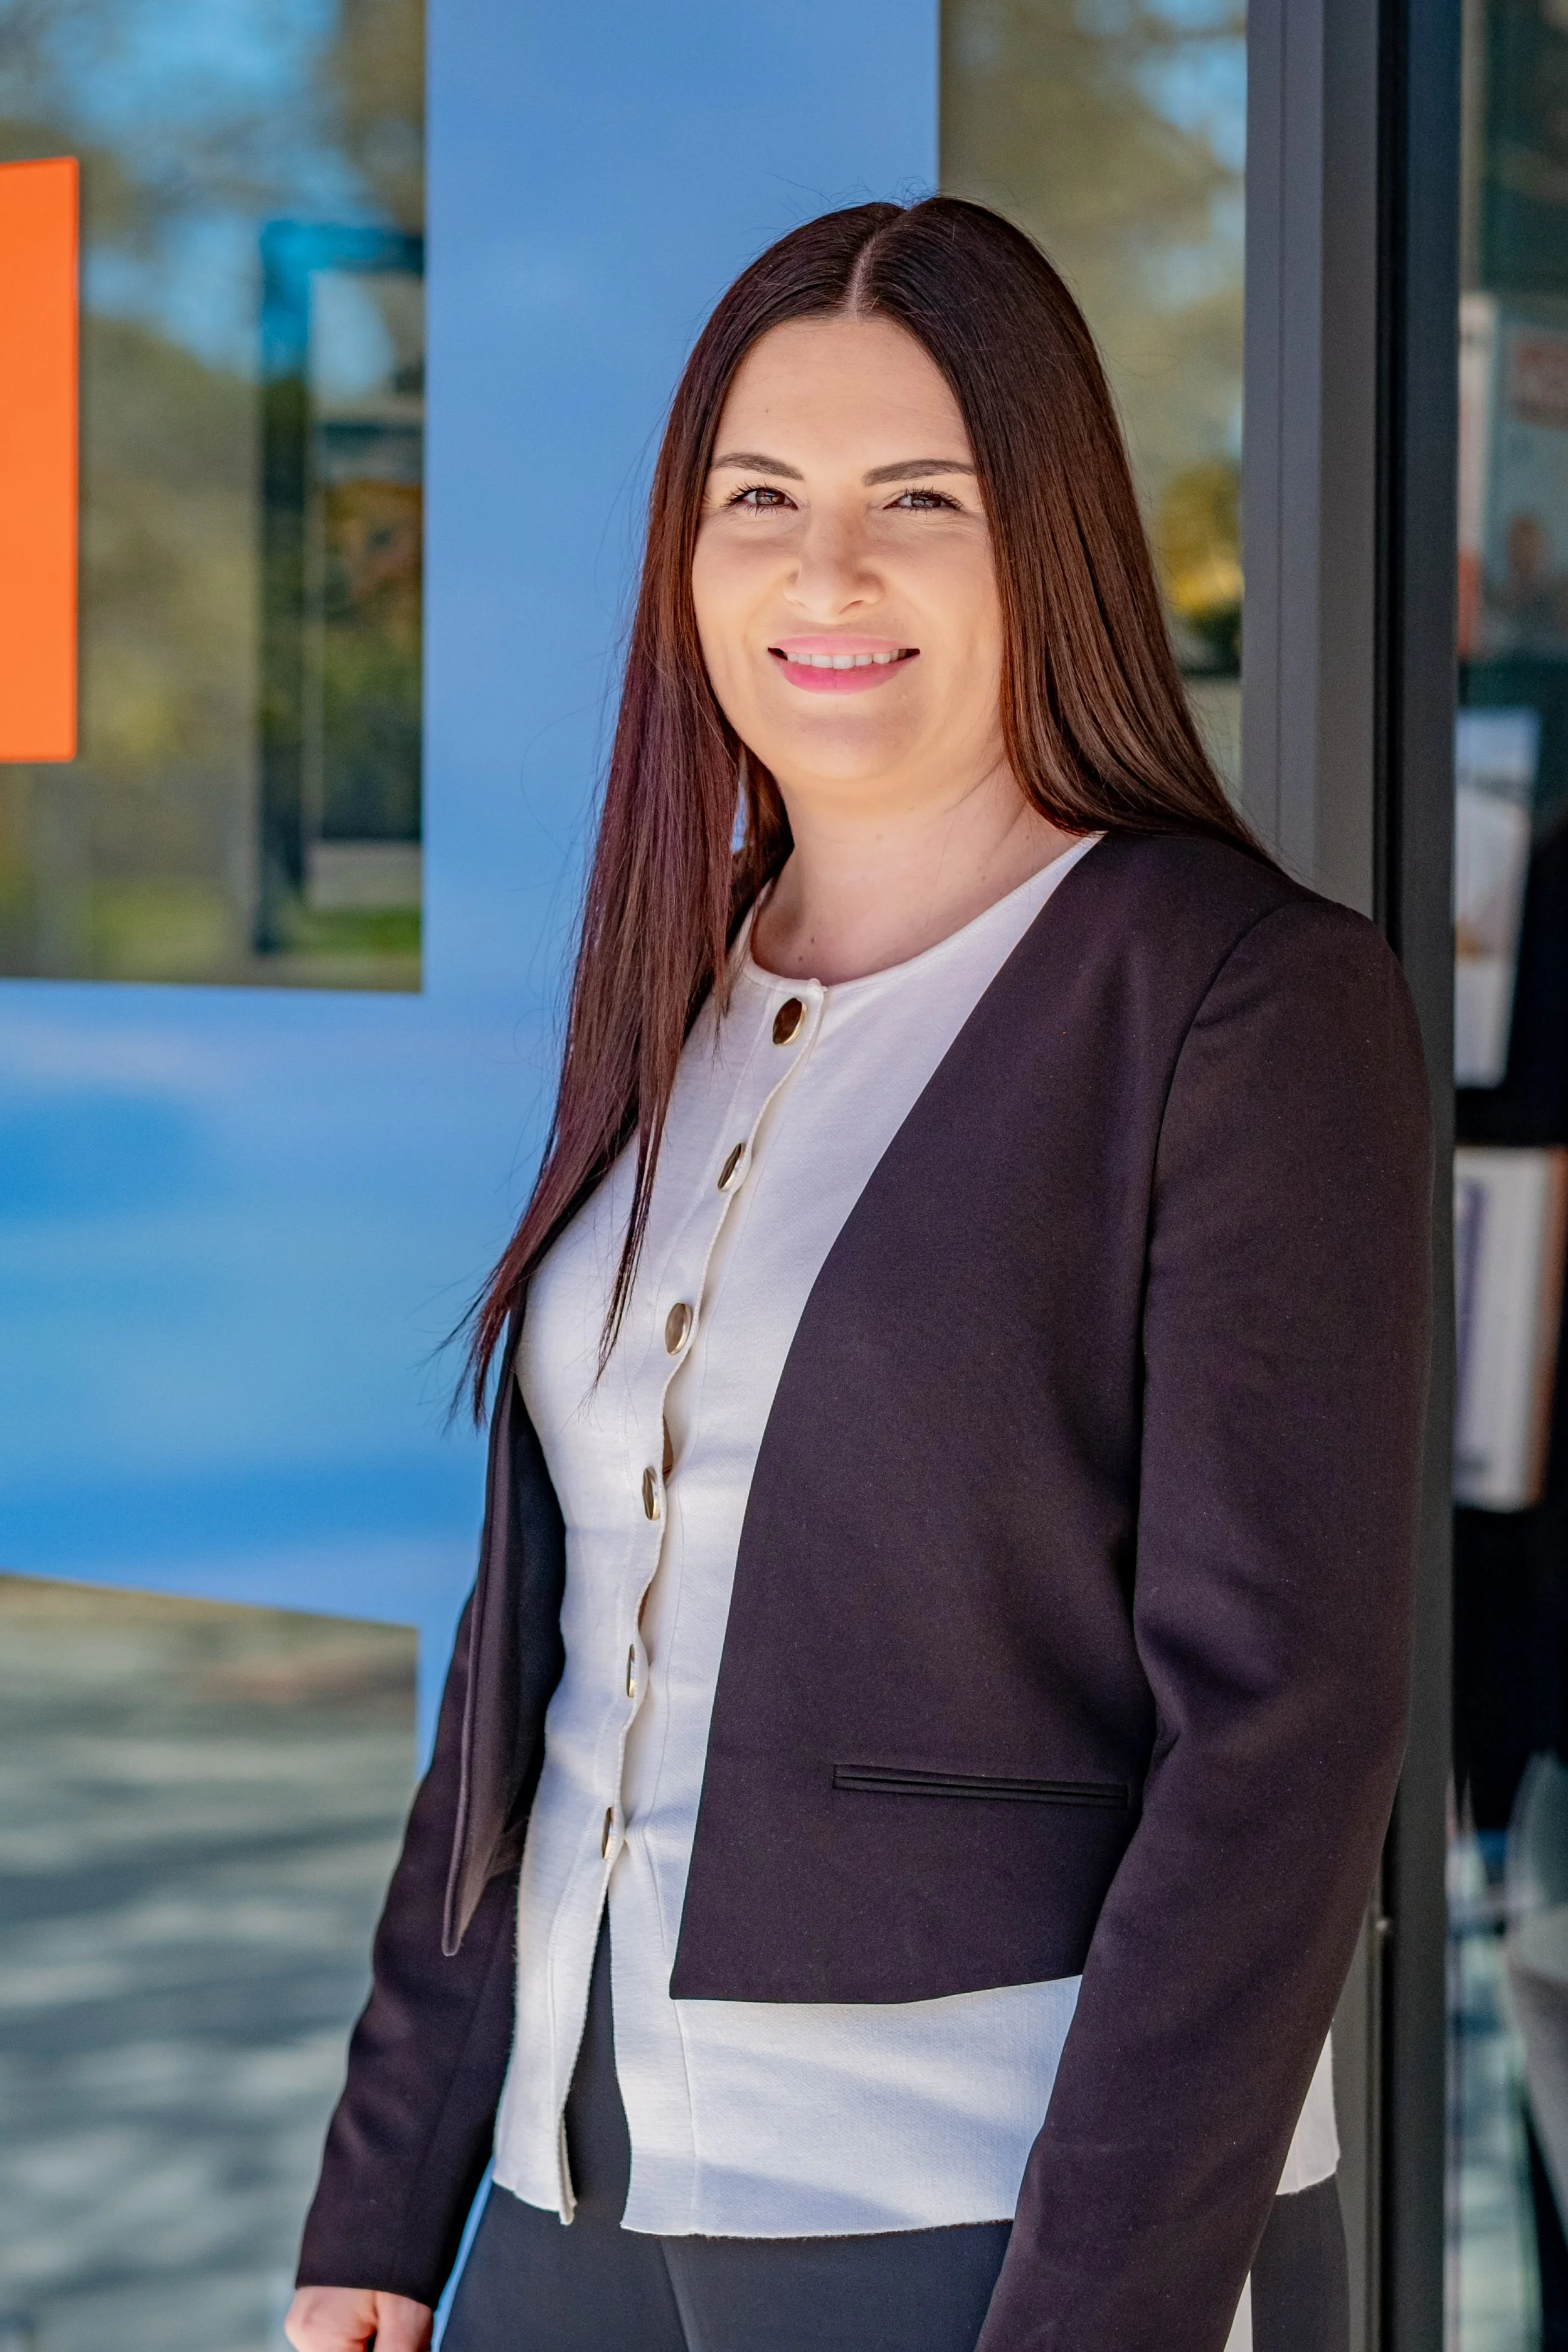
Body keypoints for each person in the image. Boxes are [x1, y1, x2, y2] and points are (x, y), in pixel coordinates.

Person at [285, 198, 1431, 2352]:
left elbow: (1281, 1740)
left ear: (1052, 542)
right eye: (758, 501)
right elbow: (534, 1652)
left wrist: (1103, 2307)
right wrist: (382, 2193)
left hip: (993, 2221)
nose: (825, 576)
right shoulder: (674, 974)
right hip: (568, 2187)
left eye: (922, 499)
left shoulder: (1239, 1006)